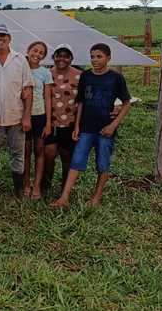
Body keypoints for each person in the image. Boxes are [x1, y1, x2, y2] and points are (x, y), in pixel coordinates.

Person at [50, 43, 132, 209]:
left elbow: (126, 103)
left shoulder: (116, 78)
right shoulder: (86, 76)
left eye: (99, 56)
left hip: (105, 129)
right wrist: (77, 126)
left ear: (108, 58)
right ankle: (64, 197)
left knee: (102, 163)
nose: (95, 60)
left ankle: (96, 197)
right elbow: (80, 102)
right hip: (86, 128)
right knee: (77, 161)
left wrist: (113, 125)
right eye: (92, 56)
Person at [0, 24, 33, 198]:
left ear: (9, 39)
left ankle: (18, 190)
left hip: (16, 116)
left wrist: (26, 117)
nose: (0, 39)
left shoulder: (20, 60)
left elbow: (28, 89)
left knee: (18, 154)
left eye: (3, 36)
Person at [42, 44, 80, 199]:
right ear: (53, 57)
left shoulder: (79, 75)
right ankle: (45, 186)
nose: (62, 59)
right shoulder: (47, 73)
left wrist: (78, 124)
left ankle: (64, 188)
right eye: (59, 55)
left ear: (71, 58)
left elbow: (82, 101)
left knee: (66, 156)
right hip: (50, 122)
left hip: (70, 123)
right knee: (49, 154)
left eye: (66, 56)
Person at [24, 41, 53, 200]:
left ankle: (37, 186)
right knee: (26, 151)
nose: (37, 54)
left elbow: (47, 98)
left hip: (39, 115)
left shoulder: (45, 73)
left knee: (39, 150)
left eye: (41, 53)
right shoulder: (20, 69)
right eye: (34, 50)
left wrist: (48, 122)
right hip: (24, 116)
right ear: (28, 50)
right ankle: (26, 183)